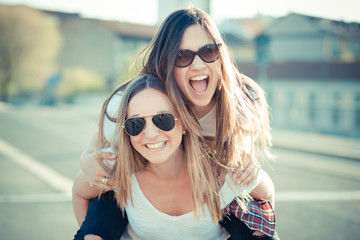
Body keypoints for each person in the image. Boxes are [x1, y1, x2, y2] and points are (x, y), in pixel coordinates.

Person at [74, 7, 277, 240]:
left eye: (209, 51)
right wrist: (89, 164)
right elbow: (91, 155)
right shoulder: (140, 102)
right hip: (135, 188)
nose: (198, 65)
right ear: (167, 62)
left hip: (209, 193)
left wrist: (249, 168)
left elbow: (245, 166)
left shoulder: (243, 100)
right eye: (183, 56)